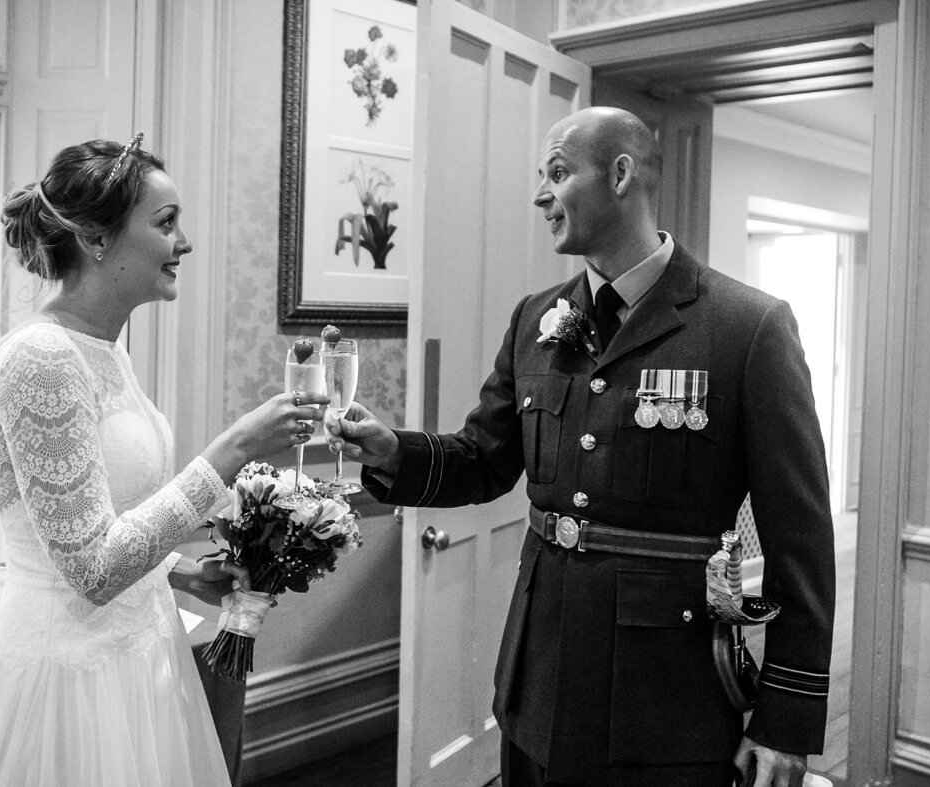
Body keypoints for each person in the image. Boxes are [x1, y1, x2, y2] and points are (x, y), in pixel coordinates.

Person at [326, 107, 835, 786]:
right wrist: (393, 450)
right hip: (538, 681)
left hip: (667, 703)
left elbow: (800, 542)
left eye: (558, 173)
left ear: (621, 174)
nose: (541, 194)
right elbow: (484, 458)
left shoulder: (747, 327)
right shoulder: (537, 316)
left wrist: (785, 721)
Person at [0, 133, 328, 786]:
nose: (184, 242)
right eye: (165, 223)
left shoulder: (105, 348)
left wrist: (179, 572)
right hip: (69, 687)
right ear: (98, 240)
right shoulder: (40, 358)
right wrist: (231, 452)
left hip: (141, 657)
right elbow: (92, 567)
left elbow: (101, 516)